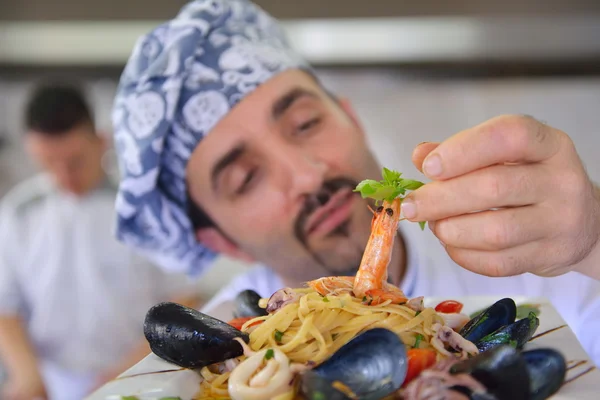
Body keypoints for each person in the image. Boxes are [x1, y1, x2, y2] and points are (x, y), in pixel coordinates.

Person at [110, 0, 600, 367]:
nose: (307, 174)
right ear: (218, 240)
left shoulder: (546, 262)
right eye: (246, 177)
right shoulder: (224, 354)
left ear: (351, 119)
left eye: (305, 123)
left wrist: (595, 238)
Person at [0, 83, 204, 400]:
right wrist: (27, 376)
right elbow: (5, 307)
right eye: (49, 163)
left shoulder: (146, 208)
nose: (64, 175)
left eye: (74, 161)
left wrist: (126, 372)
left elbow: (184, 299)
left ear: (101, 142)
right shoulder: (17, 213)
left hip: (141, 374)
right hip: (52, 382)